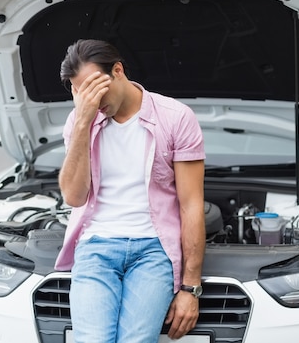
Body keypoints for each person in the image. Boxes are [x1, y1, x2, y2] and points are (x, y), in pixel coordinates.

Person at [54, 39, 206, 343]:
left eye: (97, 89)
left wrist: (190, 288)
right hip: (96, 246)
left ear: (118, 71)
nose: (93, 102)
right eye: (83, 94)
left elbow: (191, 205)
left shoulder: (175, 117)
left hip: (153, 250)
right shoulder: (81, 120)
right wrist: (83, 122)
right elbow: (73, 197)